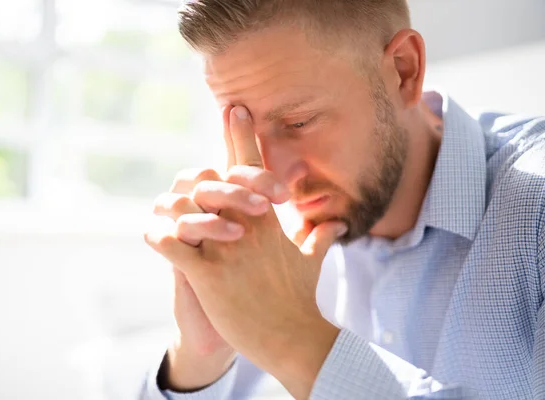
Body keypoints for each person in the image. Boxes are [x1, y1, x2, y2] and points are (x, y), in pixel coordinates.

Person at [141, 1, 545, 399]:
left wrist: (293, 338)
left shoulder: (535, 211)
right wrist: (200, 358)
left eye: (298, 122)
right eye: (243, 130)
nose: (274, 177)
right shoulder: (271, 232)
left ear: (404, 70)